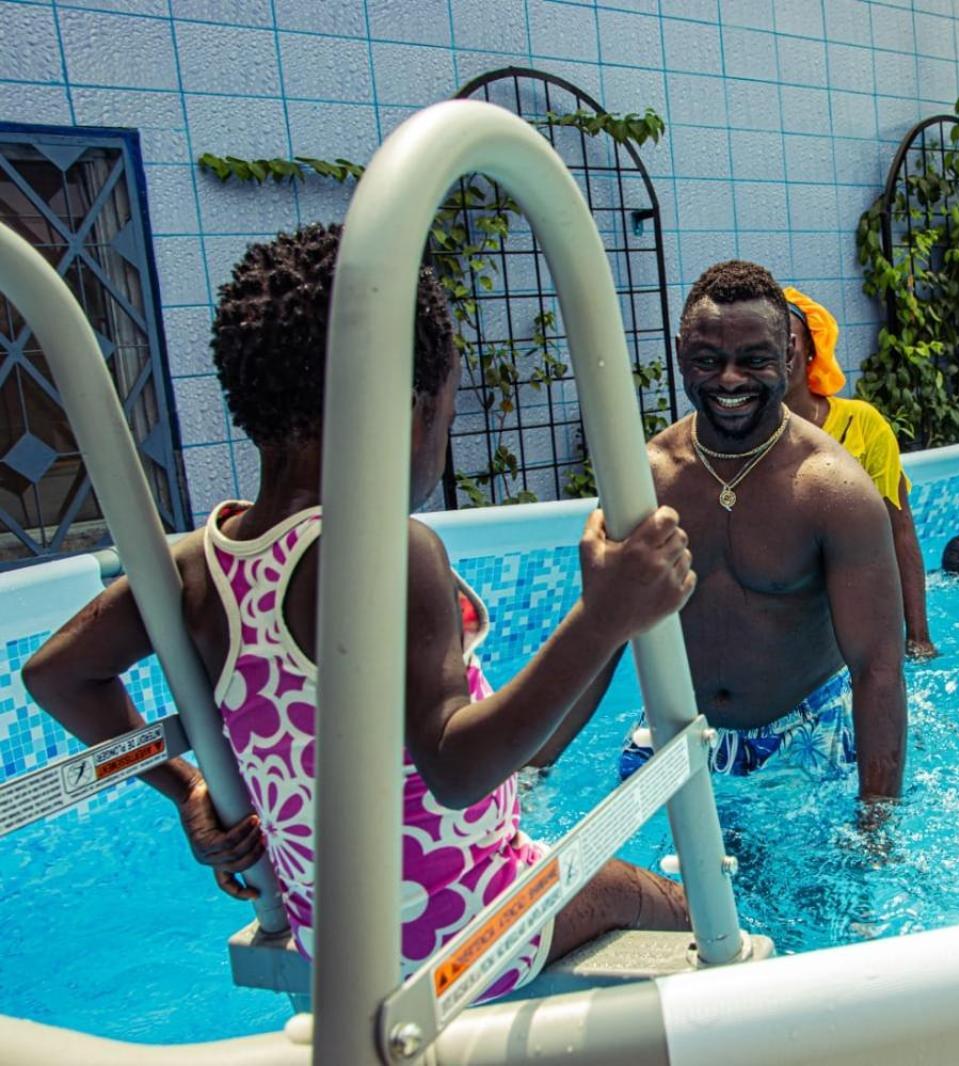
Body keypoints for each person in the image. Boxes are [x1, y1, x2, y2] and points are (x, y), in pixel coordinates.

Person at [22, 224, 690, 1002]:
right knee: (659, 899)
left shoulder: (195, 570)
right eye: (445, 414)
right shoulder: (390, 551)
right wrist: (604, 616)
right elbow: (456, 768)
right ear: (406, 410)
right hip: (461, 930)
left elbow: (56, 676)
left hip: (331, 934)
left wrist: (190, 791)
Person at [537, 261, 907, 806]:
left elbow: (878, 667)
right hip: (678, 725)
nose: (729, 379)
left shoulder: (831, 488)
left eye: (753, 359)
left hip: (805, 735)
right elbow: (602, 635)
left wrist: (878, 821)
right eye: (708, 360)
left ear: (789, 355)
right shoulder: (647, 481)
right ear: (680, 352)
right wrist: (528, 770)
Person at [782, 287, 936, 660]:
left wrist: (918, 637)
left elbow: (900, 529)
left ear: (812, 349)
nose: (776, 355)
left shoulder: (862, 424)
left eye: (787, 342)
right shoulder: (745, 436)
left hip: (859, 622)